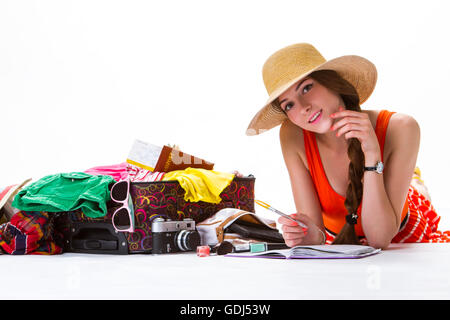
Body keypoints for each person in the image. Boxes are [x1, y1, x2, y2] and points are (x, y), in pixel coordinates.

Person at [246, 43, 450, 249]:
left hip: (399, 234)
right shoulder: (293, 135)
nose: (303, 108)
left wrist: (372, 154)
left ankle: (415, 184)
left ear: (333, 83)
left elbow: (380, 239)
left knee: (415, 191)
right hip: (343, 241)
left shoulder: (401, 128)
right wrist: (308, 236)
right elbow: (317, 233)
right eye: (289, 105)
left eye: (307, 88)